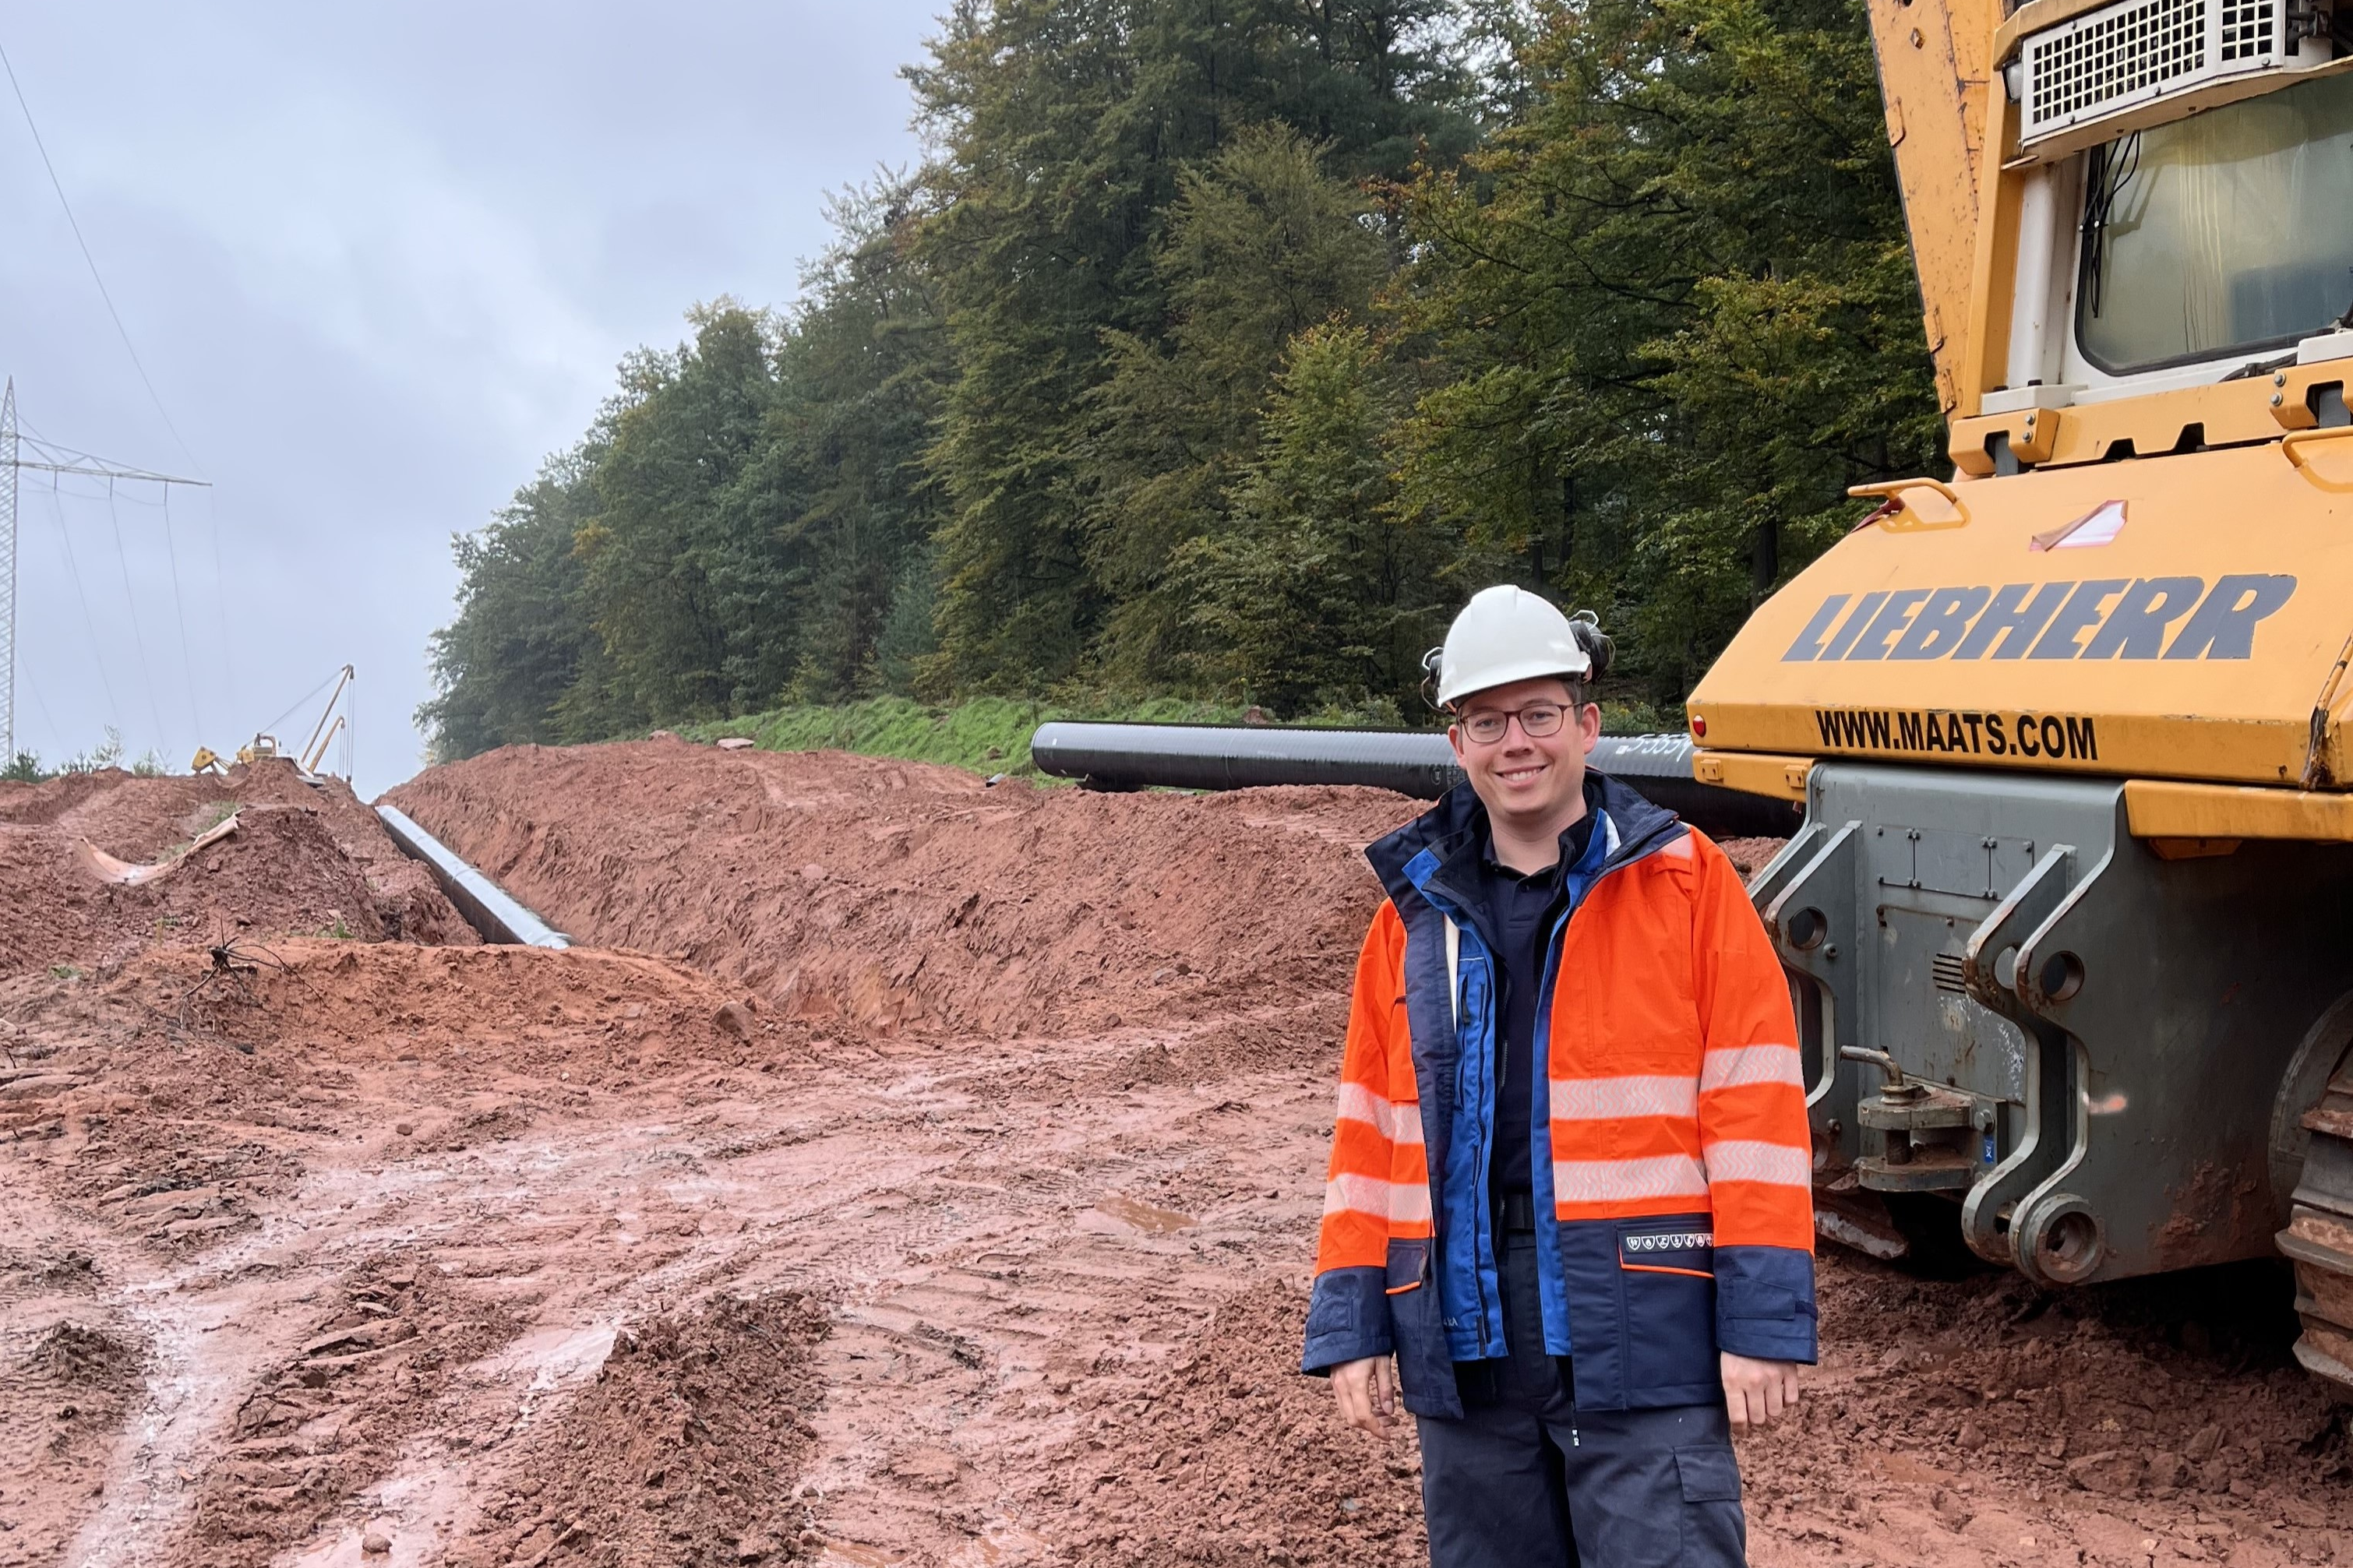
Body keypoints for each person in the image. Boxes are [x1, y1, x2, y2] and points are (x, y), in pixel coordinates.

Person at [1300, 586, 1815, 1567]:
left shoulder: (1689, 886)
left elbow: (1755, 1114)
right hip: (1466, 1343)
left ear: (1585, 724)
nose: (1515, 744)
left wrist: (1762, 1318)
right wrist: (1353, 1320)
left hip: (1643, 1336)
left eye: (1537, 715)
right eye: (1487, 721)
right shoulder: (1410, 919)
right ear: (1457, 744)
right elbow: (1368, 1137)